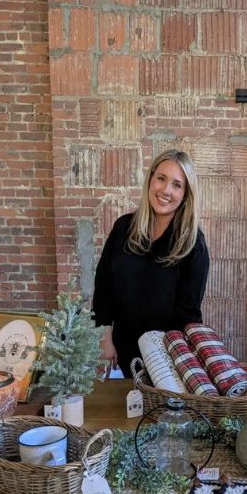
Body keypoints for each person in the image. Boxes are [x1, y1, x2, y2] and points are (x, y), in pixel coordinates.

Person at [93, 149, 210, 377]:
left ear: (186, 194)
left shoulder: (193, 244)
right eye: (161, 178)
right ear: (150, 179)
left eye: (177, 185)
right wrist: (104, 338)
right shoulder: (123, 228)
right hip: (121, 352)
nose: (166, 190)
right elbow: (104, 288)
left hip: (167, 360)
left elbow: (189, 314)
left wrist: (181, 365)